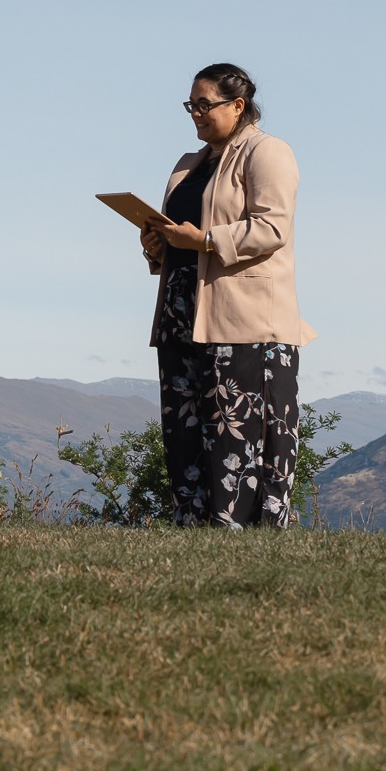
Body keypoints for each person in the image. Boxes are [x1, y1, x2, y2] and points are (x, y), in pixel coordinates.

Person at [138, 63, 314, 528]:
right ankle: (193, 527)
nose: (195, 113)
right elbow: (180, 236)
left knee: (238, 431)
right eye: (190, 105)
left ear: (238, 106)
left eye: (204, 104)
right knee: (187, 429)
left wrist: (206, 241)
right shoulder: (188, 164)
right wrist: (157, 246)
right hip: (182, 314)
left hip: (247, 320)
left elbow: (272, 228)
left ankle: (245, 531)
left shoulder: (268, 152)